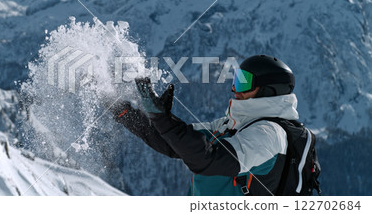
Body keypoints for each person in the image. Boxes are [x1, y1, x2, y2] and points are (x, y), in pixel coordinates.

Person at [111, 55, 297, 195]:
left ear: (268, 91)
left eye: (243, 83)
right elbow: (172, 142)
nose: (234, 89)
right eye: (236, 80)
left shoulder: (269, 135)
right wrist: (123, 112)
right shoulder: (230, 125)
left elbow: (209, 160)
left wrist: (163, 120)